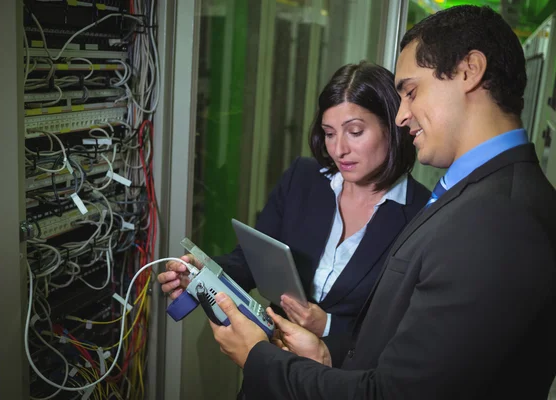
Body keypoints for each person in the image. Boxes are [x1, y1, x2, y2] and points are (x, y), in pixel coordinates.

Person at [207, 5, 556, 400]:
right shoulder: (477, 195)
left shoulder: (497, 221)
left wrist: (257, 357)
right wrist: (324, 354)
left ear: (468, 71)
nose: (402, 115)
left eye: (410, 91)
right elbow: (409, 355)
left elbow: (396, 392)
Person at [158, 61, 430, 337]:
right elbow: (251, 262)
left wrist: (327, 327)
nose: (339, 149)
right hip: (272, 361)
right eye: (329, 133)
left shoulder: (423, 214)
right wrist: (206, 272)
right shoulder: (303, 179)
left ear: (393, 126)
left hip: (347, 377)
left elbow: (408, 332)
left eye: (355, 132)